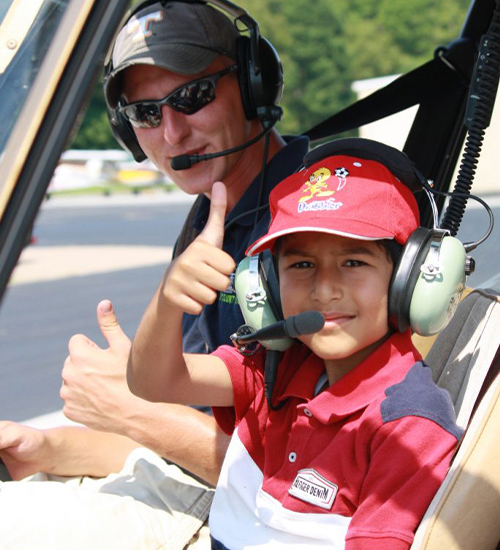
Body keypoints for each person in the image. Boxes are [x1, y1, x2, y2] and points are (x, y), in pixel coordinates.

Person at [0, 2, 308, 549]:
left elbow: (310, 482)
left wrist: (132, 408)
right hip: (206, 494)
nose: (172, 133)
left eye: (192, 97)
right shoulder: (214, 216)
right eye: (145, 113)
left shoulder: (312, 228)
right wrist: (50, 449)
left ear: (253, 83)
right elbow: (184, 444)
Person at [128, 138, 463, 549]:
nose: (324, 290)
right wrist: (168, 300)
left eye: (353, 262)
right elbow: (153, 383)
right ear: (266, 285)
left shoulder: (407, 426)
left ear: (408, 280)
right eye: (302, 264)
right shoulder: (273, 367)